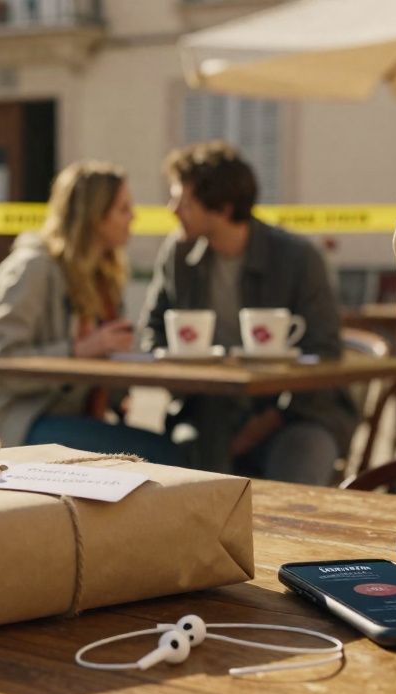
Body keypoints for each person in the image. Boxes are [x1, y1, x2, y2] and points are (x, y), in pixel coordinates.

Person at [140, 141, 355, 482]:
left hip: (297, 415)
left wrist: (271, 419)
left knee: (297, 472)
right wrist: (176, 366)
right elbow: (152, 331)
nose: (172, 209)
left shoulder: (298, 258)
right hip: (208, 412)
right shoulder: (178, 255)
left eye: (185, 200)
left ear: (222, 208)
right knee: (189, 473)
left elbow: (325, 350)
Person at [0, 161, 183, 464]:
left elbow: (104, 358)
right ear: (94, 216)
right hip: (18, 422)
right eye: (123, 209)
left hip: (72, 415)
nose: (133, 217)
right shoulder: (33, 268)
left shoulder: (102, 276)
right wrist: (80, 349)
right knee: (160, 454)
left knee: (174, 446)